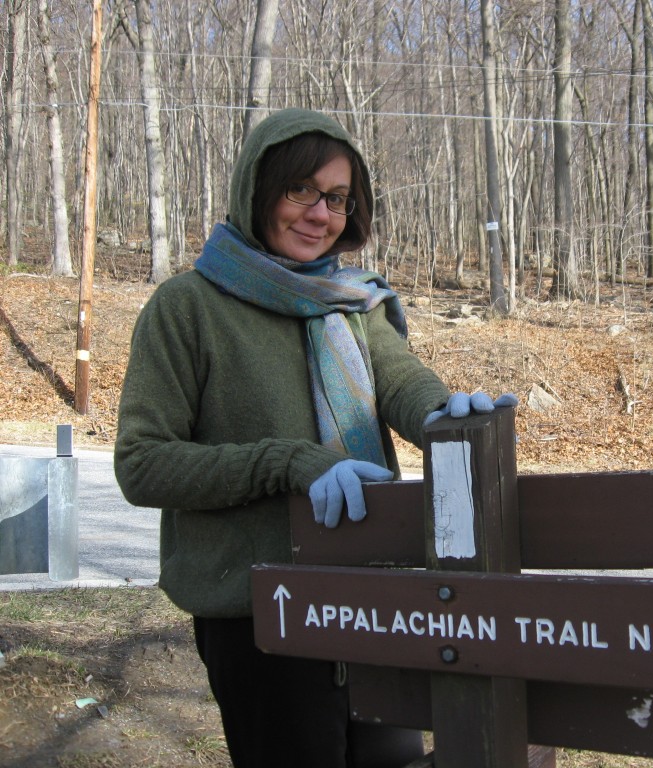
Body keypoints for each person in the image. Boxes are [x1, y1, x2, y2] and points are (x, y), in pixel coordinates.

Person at [114, 108, 515, 768]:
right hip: (262, 617)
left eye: (336, 198)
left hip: (372, 607)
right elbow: (142, 463)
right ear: (259, 188)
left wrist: (451, 416)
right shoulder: (189, 308)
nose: (318, 213)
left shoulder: (351, 301)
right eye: (300, 189)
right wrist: (292, 463)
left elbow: (402, 382)